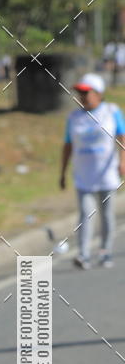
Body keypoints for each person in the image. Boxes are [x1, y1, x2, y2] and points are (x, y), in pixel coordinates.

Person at [60, 72, 125, 268]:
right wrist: (62, 172)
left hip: (106, 175)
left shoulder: (111, 111)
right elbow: (67, 145)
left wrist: (122, 161)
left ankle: (105, 252)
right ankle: (83, 254)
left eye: (86, 92)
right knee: (85, 214)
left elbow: (122, 137)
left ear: (98, 93)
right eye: (80, 92)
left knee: (106, 216)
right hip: (83, 176)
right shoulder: (74, 117)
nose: (82, 96)